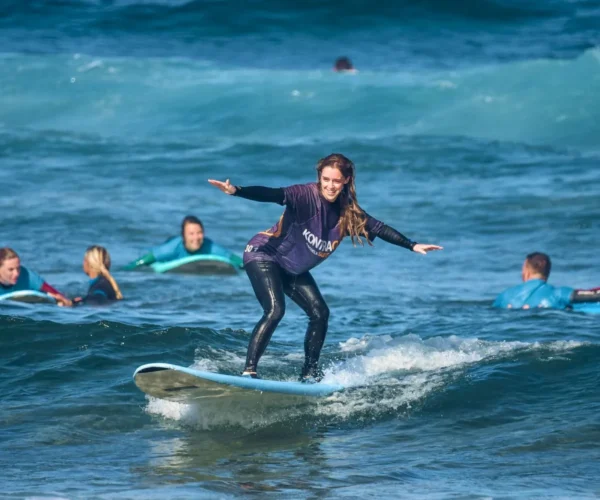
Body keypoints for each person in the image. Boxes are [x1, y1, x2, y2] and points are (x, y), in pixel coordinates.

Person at [209, 153, 443, 381]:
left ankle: (309, 373)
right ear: (320, 177)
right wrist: (236, 191)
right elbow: (273, 194)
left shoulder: (347, 211)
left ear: (346, 181)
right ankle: (249, 371)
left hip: (292, 268)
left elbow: (379, 229)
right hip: (264, 255)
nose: (330, 186)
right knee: (275, 310)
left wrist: (411, 245)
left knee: (320, 313)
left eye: (336, 181)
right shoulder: (304, 195)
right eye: (326, 179)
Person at [123, 215, 244, 270]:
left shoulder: (209, 246)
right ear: (183, 236)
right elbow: (147, 259)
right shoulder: (171, 248)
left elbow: (235, 259)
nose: (196, 238)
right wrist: (127, 270)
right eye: (191, 234)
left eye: (199, 232)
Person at [493, 252, 600, 310]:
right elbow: (593, 295)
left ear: (526, 270)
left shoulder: (504, 296)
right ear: (548, 271)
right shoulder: (558, 293)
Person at [0, 247, 71, 306]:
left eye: (18, 268)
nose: (16, 273)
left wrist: (66, 302)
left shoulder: (26, 275)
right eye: (11, 269)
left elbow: (56, 294)